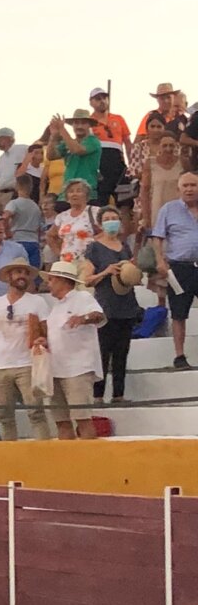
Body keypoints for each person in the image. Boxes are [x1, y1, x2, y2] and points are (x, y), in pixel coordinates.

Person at [0, 257, 53, 440]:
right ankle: (11, 454)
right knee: (3, 415)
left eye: (26, 273)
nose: (22, 276)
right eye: (18, 272)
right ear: (9, 276)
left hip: (28, 364)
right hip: (2, 365)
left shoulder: (37, 302)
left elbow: (48, 332)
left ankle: (45, 452)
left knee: (36, 412)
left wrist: (43, 340)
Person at [34, 262, 106, 439]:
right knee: (61, 421)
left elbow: (99, 316)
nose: (48, 283)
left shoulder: (82, 298)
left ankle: (90, 460)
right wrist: (45, 341)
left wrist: (83, 318)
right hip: (57, 370)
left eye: (51, 279)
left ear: (62, 281)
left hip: (77, 369)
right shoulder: (56, 307)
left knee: (82, 419)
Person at [80, 207, 140, 401]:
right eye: (107, 219)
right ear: (100, 223)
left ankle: (118, 394)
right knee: (103, 353)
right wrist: (106, 271)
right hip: (106, 305)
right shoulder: (94, 247)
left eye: (115, 218)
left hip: (126, 302)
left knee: (122, 352)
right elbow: (87, 279)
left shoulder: (124, 246)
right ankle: (98, 395)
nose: (112, 221)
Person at [149, 172, 198, 370]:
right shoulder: (169, 209)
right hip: (179, 268)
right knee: (179, 313)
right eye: (185, 185)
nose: (189, 189)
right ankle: (179, 355)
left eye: (193, 185)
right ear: (179, 189)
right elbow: (157, 236)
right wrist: (160, 260)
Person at [88, 88, 133, 209]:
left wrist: (132, 165)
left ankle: (126, 227)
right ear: (91, 102)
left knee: (125, 202)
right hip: (99, 166)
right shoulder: (89, 122)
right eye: (98, 99)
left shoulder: (118, 119)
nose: (102, 101)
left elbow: (127, 142)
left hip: (119, 165)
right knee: (100, 203)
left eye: (104, 98)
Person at [47, 179, 102, 267]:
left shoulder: (96, 212)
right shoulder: (62, 217)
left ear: (86, 195)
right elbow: (50, 236)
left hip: (89, 264)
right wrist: (59, 253)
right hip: (66, 264)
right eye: (71, 191)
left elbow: (106, 234)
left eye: (79, 191)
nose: (74, 194)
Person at [48, 111, 101, 200]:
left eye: (83, 123)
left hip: (86, 192)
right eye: (76, 123)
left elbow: (77, 150)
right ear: (72, 125)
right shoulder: (68, 142)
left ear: (89, 125)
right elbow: (51, 156)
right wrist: (53, 136)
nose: (79, 126)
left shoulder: (93, 141)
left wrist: (62, 129)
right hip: (66, 193)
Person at [142, 132, 185, 231]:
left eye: (171, 145)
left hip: (179, 209)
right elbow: (145, 191)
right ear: (159, 147)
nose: (168, 149)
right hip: (157, 210)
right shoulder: (150, 163)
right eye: (165, 145)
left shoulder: (183, 162)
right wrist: (146, 217)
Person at [3, 175, 44, 268]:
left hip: (18, 240)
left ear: (17, 186)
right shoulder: (35, 206)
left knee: (17, 270)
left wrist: (7, 232)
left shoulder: (14, 203)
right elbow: (39, 227)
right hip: (33, 241)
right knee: (33, 273)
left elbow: (5, 217)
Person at [0, 128, 28, 213]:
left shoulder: (21, 149)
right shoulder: (1, 158)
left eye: (0, 139)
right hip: (0, 194)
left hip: (12, 193)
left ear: (9, 139)